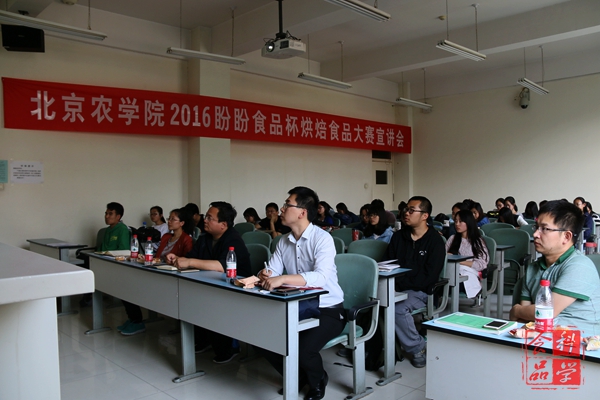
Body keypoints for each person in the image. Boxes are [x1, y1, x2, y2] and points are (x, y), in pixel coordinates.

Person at [258, 187, 345, 400]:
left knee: (305, 349)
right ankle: (298, 376)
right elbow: (273, 271)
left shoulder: (322, 239)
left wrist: (282, 279)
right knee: (262, 337)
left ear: (302, 212)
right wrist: (266, 274)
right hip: (297, 306)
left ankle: (318, 380)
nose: (282, 209)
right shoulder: (283, 241)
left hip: (328, 308)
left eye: (287, 204)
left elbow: (321, 277)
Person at [166, 201, 251, 363]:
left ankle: (230, 347)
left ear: (223, 225)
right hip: (210, 284)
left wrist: (190, 262)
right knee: (191, 298)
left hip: (235, 289)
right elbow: (191, 257)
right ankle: (204, 340)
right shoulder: (205, 238)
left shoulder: (233, 240)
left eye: (210, 218)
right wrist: (177, 258)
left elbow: (222, 266)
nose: (205, 220)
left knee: (215, 304)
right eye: (206, 216)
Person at [509, 200, 600, 336]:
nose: (535, 234)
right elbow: (525, 319)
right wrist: (524, 313)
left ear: (566, 236)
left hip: (581, 342)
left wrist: (516, 310)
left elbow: (546, 312)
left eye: (545, 229)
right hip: (541, 339)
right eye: (536, 227)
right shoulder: (533, 268)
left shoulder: (580, 266)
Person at [385, 196, 445, 368]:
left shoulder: (435, 241)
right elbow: (388, 264)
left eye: (412, 210)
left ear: (425, 215)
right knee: (371, 302)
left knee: (397, 308)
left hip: (422, 291)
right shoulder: (398, 237)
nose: (406, 213)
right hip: (395, 286)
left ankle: (417, 347)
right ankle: (371, 345)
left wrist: (400, 285)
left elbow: (429, 276)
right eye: (406, 209)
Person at [119, 208, 194, 336]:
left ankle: (137, 321)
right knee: (126, 284)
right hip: (157, 269)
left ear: (182, 223)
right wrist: (148, 258)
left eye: (173, 219)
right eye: (169, 218)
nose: (169, 221)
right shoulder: (166, 237)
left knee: (134, 287)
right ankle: (133, 319)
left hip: (171, 275)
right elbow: (158, 256)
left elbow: (186, 260)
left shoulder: (186, 239)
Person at [446, 210, 489, 298]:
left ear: (468, 222)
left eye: (460, 221)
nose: (457, 224)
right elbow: (444, 256)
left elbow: (481, 264)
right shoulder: (452, 239)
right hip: (451, 271)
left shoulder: (477, 241)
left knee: (450, 283)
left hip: (468, 274)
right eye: (456, 221)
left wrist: (458, 261)